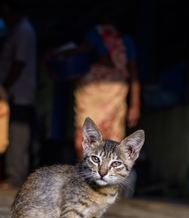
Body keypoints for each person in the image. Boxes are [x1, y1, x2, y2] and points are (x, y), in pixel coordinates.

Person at [53, 12, 141, 160]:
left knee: (110, 136)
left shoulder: (125, 41)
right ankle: (85, 175)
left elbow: (133, 73)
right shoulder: (96, 34)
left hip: (114, 95)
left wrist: (135, 104)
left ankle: (107, 176)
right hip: (92, 95)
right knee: (87, 133)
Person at [0, 1, 36, 188]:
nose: (4, 19)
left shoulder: (24, 32)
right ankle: (11, 174)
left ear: (16, 12)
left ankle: (15, 177)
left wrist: (4, 87)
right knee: (10, 135)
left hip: (19, 94)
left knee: (18, 136)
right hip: (12, 94)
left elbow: (18, 64)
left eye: (6, 14)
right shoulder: (16, 31)